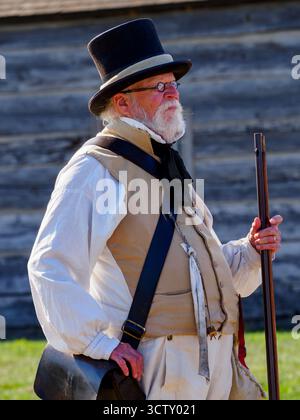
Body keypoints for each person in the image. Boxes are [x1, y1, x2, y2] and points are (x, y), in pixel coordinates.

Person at [28, 18, 283, 400]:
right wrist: (101, 344)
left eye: (173, 85)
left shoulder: (170, 167)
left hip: (214, 364)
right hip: (154, 366)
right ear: (123, 102)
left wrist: (249, 250)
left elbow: (202, 275)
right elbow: (49, 265)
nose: (173, 95)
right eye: (159, 87)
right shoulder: (93, 168)